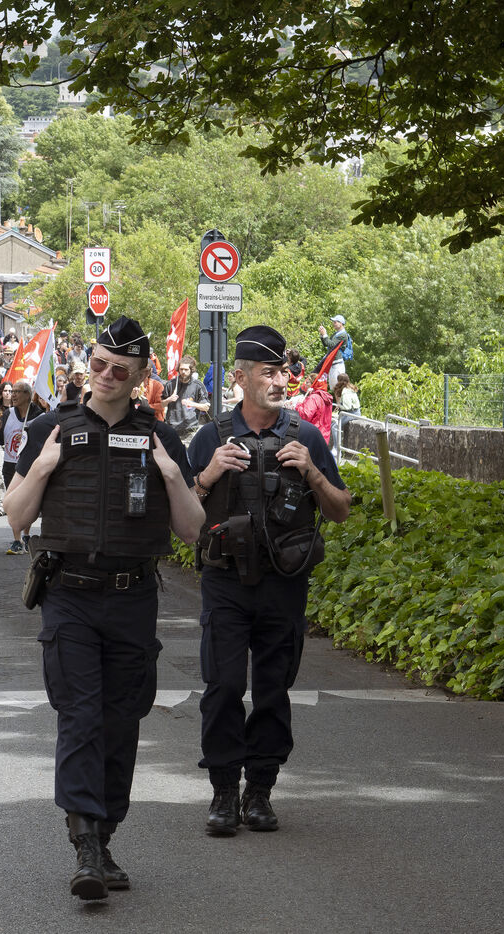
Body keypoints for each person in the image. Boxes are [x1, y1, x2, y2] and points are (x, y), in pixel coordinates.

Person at [3, 316, 204, 901]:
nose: (107, 375)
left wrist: (173, 477)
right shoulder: (50, 428)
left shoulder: (159, 436)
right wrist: (43, 467)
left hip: (132, 597)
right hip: (69, 594)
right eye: (99, 363)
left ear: (140, 376)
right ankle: (86, 844)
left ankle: (105, 835)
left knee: (121, 721)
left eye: (121, 369)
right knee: (81, 715)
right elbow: (16, 516)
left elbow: (192, 530)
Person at [186, 325, 352, 836]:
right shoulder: (212, 436)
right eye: (268, 373)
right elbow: (181, 520)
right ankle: (223, 791)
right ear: (240, 378)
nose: (281, 381)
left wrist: (313, 472)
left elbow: (341, 510)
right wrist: (208, 475)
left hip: (284, 584)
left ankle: (259, 790)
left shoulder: (306, 436)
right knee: (224, 686)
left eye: (283, 372)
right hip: (226, 583)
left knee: (273, 689)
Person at [0, 379, 40, 554]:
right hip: (10, 464)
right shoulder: (8, 414)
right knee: (13, 503)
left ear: (28, 395)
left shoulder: (39, 415)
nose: (12, 395)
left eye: (17, 392)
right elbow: (0, 439)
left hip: (30, 465)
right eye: (12, 391)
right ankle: (17, 540)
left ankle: (26, 534)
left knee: (28, 502)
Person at [163, 359, 210, 444]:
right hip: (172, 428)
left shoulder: (198, 385)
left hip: (190, 429)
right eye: (181, 369)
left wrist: (192, 404)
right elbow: (160, 405)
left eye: (186, 369)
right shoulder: (170, 384)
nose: (183, 372)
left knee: (188, 452)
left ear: (191, 370)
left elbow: (206, 407)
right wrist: (168, 399)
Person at [318, 314, 353, 387]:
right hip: (332, 363)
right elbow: (327, 344)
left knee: (338, 387)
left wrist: (325, 334)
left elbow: (332, 345)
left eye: (335, 322)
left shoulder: (343, 335)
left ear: (341, 323)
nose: (333, 324)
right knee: (333, 387)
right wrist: (322, 334)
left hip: (337, 364)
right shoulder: (336, 334)